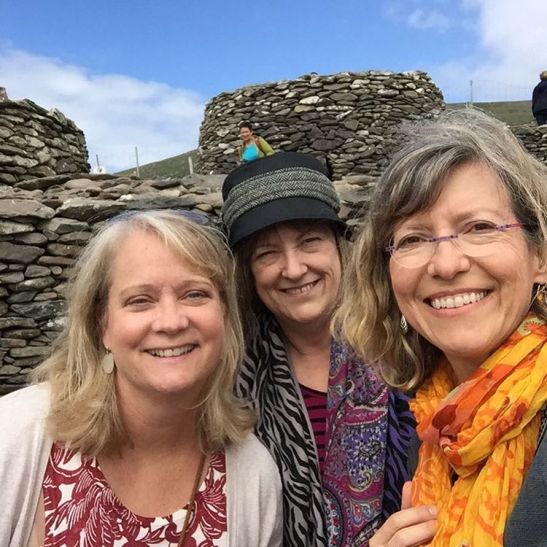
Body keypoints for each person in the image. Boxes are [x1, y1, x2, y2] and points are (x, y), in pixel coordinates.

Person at [0, 210, 282, 547]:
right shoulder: (13, 434)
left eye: (194, 294)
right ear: (101, 325)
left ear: (224, 314)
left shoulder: (254, 475)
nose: (171, 322)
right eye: (140, 300)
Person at [336, 108, 547, 547]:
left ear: (539, 256)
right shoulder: (437, 424)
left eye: (480, 227)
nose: (446, 264)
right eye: (414, 238)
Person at [221, 152, 414, 547]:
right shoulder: (229, 383)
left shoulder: (410, 349)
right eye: (267, 253)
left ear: (339, 247)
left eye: (310, 241)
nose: (293, 269)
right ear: (248, 273)